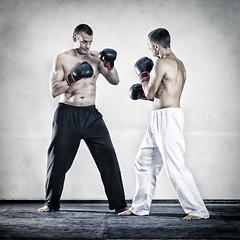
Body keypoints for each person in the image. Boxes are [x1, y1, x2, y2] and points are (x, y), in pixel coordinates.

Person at [119, 28, 209, 220]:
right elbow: (161, 94)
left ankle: (198, 210)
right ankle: (140, 207)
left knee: (175, 165)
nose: (149, 50)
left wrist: (143, 76)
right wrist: (147, 93)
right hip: (162, 117)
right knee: (143, 161)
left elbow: (151, 93)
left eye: (149, 46)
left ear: (156, 46)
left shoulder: (161, 62)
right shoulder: (179, 64)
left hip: (167, 118)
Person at [38, 24, 127, 213]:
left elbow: (115, 80)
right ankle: (51, 203)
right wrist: (73, 78)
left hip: (91, 115)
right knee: (58, 159)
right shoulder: (62, 58)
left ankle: (119, 205)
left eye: (90, 42)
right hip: (67, 113)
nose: (87, 46)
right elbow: (53, 91)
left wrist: (110, 65)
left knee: (108, 156)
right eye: (84, 41)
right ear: (74, 38)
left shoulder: (96, 57)